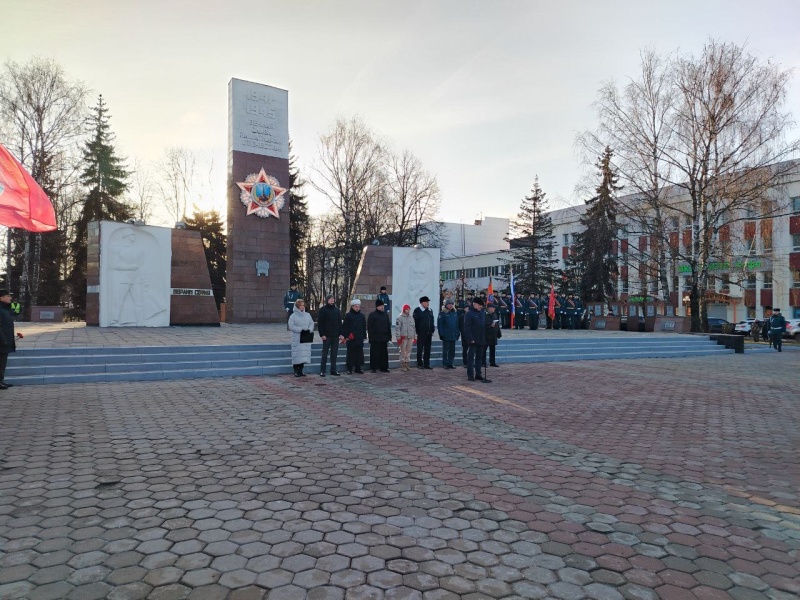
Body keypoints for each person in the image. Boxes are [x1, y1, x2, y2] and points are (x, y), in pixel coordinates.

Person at [464, 297, 489, 383]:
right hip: (473, 340)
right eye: (479, 305)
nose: (480, 307)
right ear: (474, 304)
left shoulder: (482, 313)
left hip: (481, 339)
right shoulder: (469, 314)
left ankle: (478, 374)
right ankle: (470, 375)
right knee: (471, 358)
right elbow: (467, 328)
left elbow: (483, 326)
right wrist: (471, 338)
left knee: (479, 358)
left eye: (481, 306)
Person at [287, 298, 314, 377]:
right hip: (297, 338)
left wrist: (309, 330)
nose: (302, 307)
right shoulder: (293, 316)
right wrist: (300, 330)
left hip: (306, 337)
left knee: (304, 355)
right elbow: (291, 326)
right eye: (300, 305)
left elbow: (311, 323)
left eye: (303, 305)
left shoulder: (307, 315)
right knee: (297, 354)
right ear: (297, 307)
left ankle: (301, 370)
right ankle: (296, 370)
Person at [317, 295, 342, 377]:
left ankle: (333, 370)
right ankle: (322, 370)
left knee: (334, 354)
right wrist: (322, 334)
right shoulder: (323, 310)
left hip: (335, 336)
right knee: (325, 354)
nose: (332, 300)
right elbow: (320, 323)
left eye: (333, 299)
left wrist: (340, 333)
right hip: (326, 336)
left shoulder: (337, 310)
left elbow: (339, 323)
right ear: (327, 300)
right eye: (330, 299)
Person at [342, 299, 367, 374]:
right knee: (351, 354)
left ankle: (358, 368)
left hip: (359, 338)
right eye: (356, 307)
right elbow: (345, 327)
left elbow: (363, 326)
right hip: (351, 338)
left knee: (359, 353)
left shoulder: (361, 316)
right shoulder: (348, 315)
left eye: (358, 307)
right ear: (352, 307)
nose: (357, 308)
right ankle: (349, 368)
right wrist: (346, 336)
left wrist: (364, 335)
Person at [0, 290, 18, 389]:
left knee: (3, 362)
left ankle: (1, 380)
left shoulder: (6, 309)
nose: (10, 298)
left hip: (6, 341)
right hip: (2, 342)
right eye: (7, 296)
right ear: (1, 298)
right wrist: (3, 340)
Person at [367, 299, 392, 372]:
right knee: (375, 354)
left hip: (384, 338)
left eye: (383, 306)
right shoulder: (372, 315)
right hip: (375, 338)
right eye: (381, 306)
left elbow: (388, 326)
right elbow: (370, 327)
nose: (382, 307)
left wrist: (389, 337)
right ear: (377, 307)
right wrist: (370, 337)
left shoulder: (385, 315)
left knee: (384, 354)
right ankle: (374, 368)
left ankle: (384, 367)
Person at [413, 296, 435, 369]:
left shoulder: (430, 310)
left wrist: (432, 329)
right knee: (420, 349)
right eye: (426, 302)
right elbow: (415, 322)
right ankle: (419, 363)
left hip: (429, 333)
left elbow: (432, 320)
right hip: (421, 333)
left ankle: (426, 363)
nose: (428, 303)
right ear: (422, 303)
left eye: (428, 302)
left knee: (428, 349)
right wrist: (417, 331)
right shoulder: (417, 310)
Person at [437, 299, 460, 369]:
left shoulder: (455, 313)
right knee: (445, 350)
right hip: (446, 334)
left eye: (452, 304)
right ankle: (445, 363)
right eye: (449, 304)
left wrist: (458, 332)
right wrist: (441, 334)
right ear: (446, 305)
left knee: (452, 351)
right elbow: (440, 325)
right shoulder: (442, 313)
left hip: (453, 334)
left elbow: (457, 324)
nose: (451, 305)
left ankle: (451, 363)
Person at [395, 304, 416, 372]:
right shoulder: (399, 318)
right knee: (403, 352)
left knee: (408, 351)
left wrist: (415, 337)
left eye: (409, 309)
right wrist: (398, 338)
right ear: (404, 310)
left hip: (410, 337)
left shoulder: (411, 318)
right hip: (403, 337)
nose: (408, 311)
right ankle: (403, 364)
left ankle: (407, 363)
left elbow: (413, 328)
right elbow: (397, 328)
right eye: (407, 309)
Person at [483, 302, 502, 369]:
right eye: (492, 308)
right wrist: (490, 324)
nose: (494, 309)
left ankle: (492, 362)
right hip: (486, 335)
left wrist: (499, 333)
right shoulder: (484, 314)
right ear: (489, 308)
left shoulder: (494, 314)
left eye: (494, 308)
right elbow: (483, 323)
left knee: (493, 349)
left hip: (494, 335)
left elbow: (497, 324)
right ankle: (483, 362)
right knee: (484, 349)